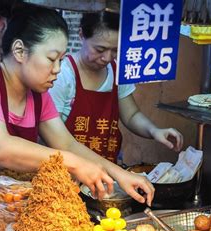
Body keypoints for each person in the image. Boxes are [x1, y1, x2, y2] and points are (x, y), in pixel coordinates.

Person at [0, 6, 154, 221]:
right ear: (19, 51)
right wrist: (76, 164)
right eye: (51, 59)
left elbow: (66, 142)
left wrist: (120, 174)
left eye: (60, 59)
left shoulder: (38, 95)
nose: (57, 69)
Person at [49, 11, 184, 164]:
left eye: (115, 50)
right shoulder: (62, 75)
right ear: (81, 35)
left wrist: (154, 131)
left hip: (106, 168)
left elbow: (131, 115)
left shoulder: (117, 71)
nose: (107, 58)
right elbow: (54, 136)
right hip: (67, 171)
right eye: (99, 50)